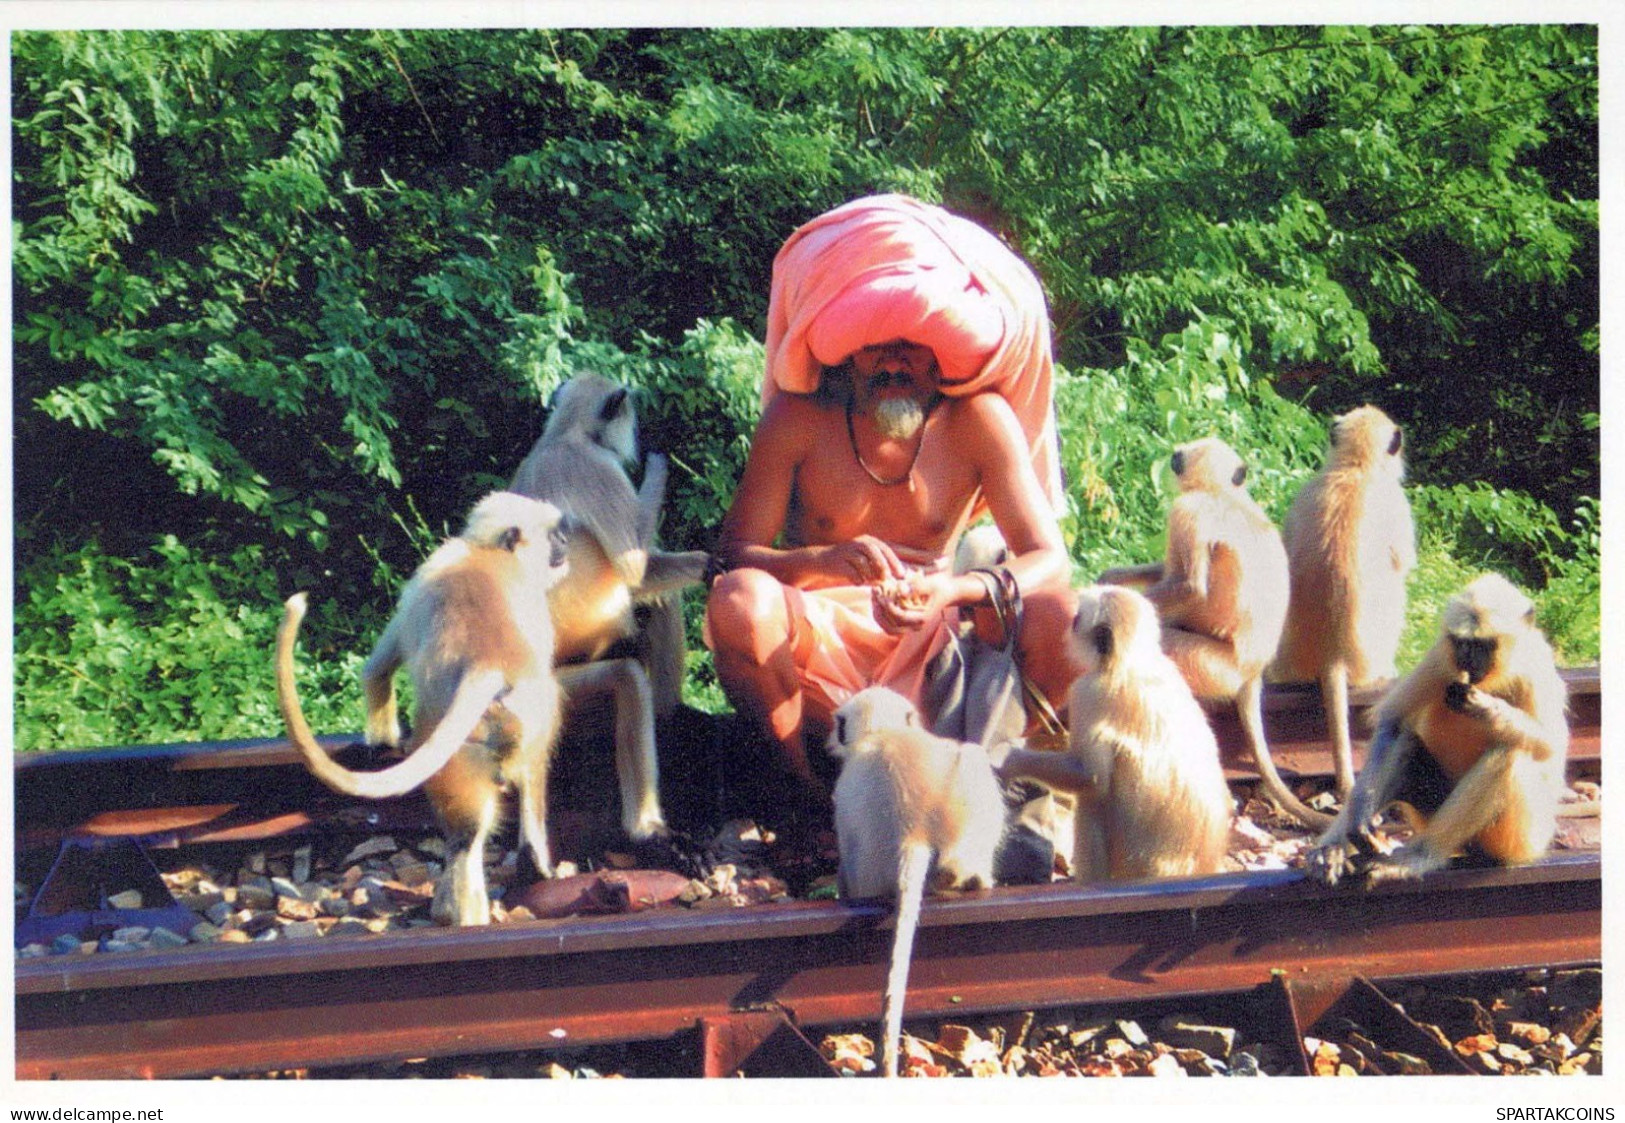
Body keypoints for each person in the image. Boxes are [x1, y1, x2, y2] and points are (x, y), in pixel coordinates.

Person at [704, 194, 1079, 804]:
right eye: (878, 346)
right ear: (850, 356)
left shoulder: (979, 420)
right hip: (815, 640)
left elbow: (1048, 557)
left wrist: (953, 589)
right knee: (739, 603)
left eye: (912, 348)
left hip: (934, 640)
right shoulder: (797, 420)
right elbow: (729, 561)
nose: (894, 362)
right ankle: (805, 797)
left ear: (941, 361)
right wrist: (821, 561)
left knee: (1061, 615)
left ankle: (980, 785)